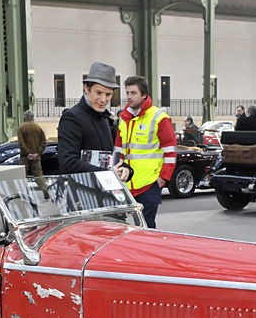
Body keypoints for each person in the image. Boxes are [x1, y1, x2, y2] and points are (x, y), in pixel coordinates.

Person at [115, 75, 177, 229]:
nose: (129, 97)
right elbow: (119, 151)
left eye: (133, 93)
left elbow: (170, 150)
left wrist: (163, 177)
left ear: (144, 95)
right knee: (117, 225)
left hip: (149, 183)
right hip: (126, 182)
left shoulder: (159, 117)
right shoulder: (124, 119)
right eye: (127, 92)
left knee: (146, 227)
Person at [57, 61, 129, 178]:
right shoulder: (72, 118)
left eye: (108, 94)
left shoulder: (105, 118)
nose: (103, 99)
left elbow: (109, 158)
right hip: (82, 193)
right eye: (98, 93)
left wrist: (125, 169)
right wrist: (108, 173)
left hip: (104, 191)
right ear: (87, 88)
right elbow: (68, 163)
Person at [16, 109, 47, 180]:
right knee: (38, 174)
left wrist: (28, 153)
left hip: (24, 156)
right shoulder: (38, 127)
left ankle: (24, 190)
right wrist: (37, 153)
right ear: (33, 117)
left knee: (22, 175)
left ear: (25, 118)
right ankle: (44, 189)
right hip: (36, 156)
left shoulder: (21, 128)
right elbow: (44, 142)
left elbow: (21, 142)